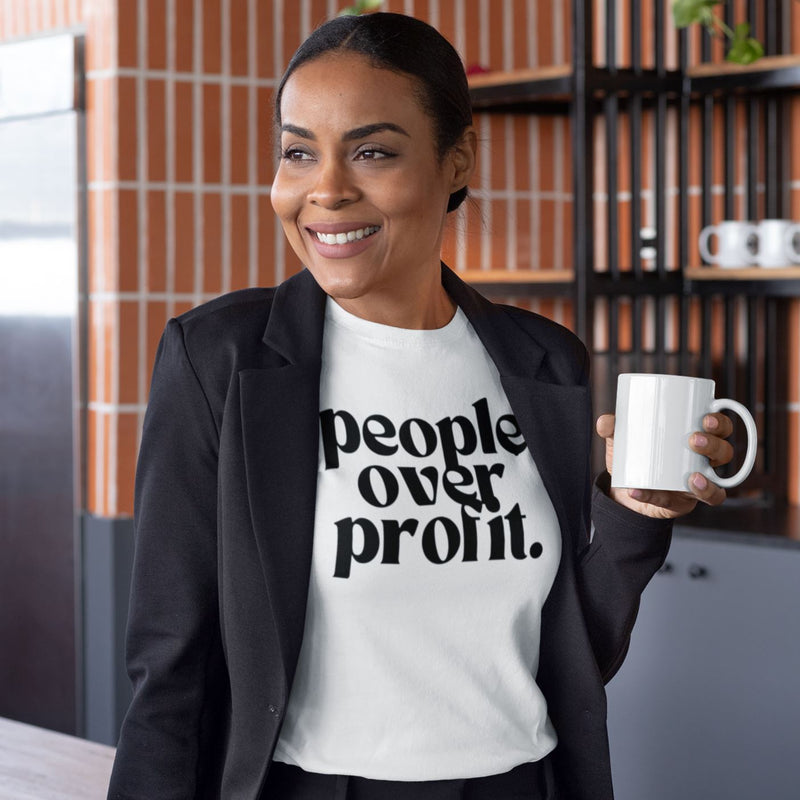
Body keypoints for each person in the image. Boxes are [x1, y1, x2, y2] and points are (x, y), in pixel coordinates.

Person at [107, 12, 735, 800]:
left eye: (372, 152)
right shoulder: (219, 360)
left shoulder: (544, 361)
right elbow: (169, 671)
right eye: (298, 152)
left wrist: (638, 515)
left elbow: (572, 658)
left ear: (455, 160)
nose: (326, 189)